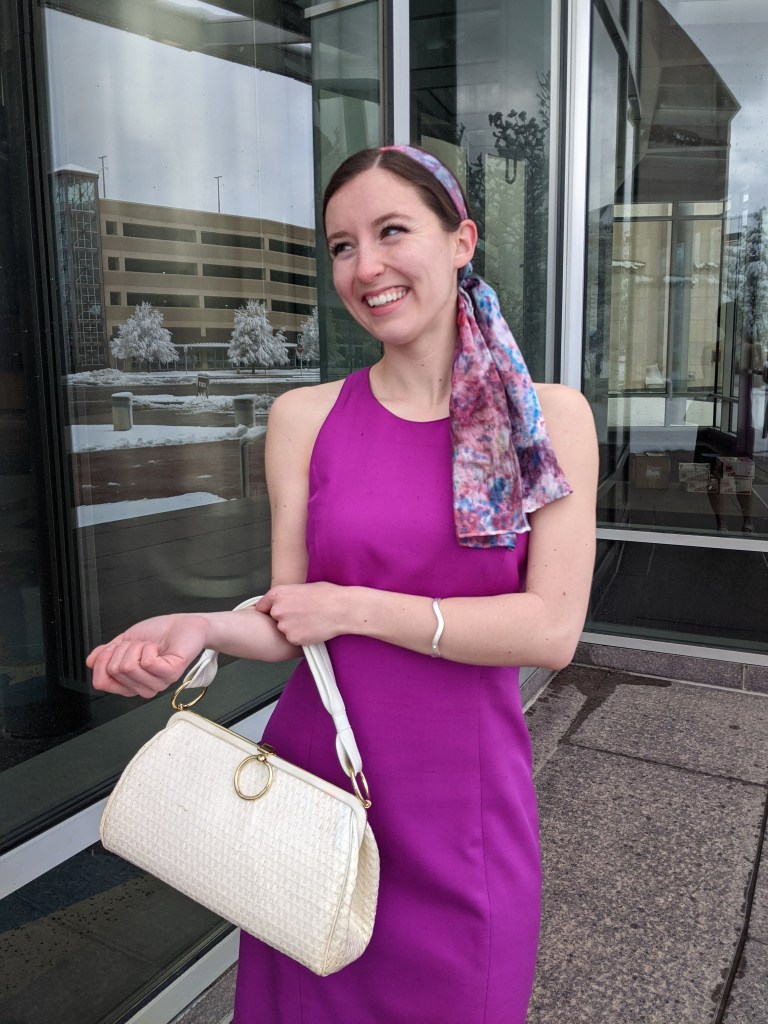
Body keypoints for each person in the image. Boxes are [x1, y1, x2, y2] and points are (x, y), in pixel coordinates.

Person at [88, 145, 598, 1023]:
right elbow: (293, 621)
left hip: (464, 813)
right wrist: (201, 628)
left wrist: (357, 606)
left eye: (392, 232)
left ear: (461, 240)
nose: (366, 267)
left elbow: (550, 630)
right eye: (340, 246)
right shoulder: (303, 418)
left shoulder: (546, 419)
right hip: (314, 802)